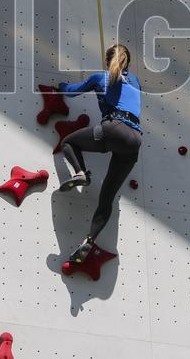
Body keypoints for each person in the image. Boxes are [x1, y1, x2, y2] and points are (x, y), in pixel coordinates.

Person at [56, 44, 142, 265]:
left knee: (68, 143)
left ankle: (80, 173)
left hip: (114, 129)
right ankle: (90, 240)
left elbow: (71, 91)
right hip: (134, 141)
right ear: (128, 62)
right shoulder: (135, 81)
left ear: (107, 60)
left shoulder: (100, 77)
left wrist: (60, 84)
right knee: (106, 199)